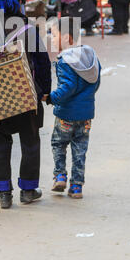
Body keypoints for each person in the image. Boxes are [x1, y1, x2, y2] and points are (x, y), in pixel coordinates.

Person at [0, 0, 52, 209]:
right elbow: (43, 64)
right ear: (17, 3)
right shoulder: (28, 30)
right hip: (26, 94)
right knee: (30, 141)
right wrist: (44, 91)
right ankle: (28, 190)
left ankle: (3, 195)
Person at [44, 18, 101, 199]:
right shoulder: (91, 57)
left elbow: (68, 87)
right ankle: (76, 187)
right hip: (85, 115)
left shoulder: (65, 60)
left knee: (58, 144)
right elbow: (96, 81)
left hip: (66, 114)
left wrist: (51, 98)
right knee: (80, 149)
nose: (52, 39)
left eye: (54, 35)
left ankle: (60, 175)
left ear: (67, 37)